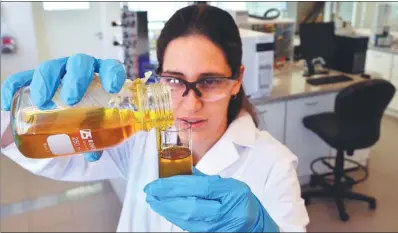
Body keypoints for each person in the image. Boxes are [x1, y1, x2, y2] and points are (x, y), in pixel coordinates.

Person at [0, 4, 309, 232]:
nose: (190, 105)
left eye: (210, 81)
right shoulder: (138, 137)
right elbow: (49, 155)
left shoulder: (275, 163)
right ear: (158, 78)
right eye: (174, 80)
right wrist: (48, 106)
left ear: (237, 79)